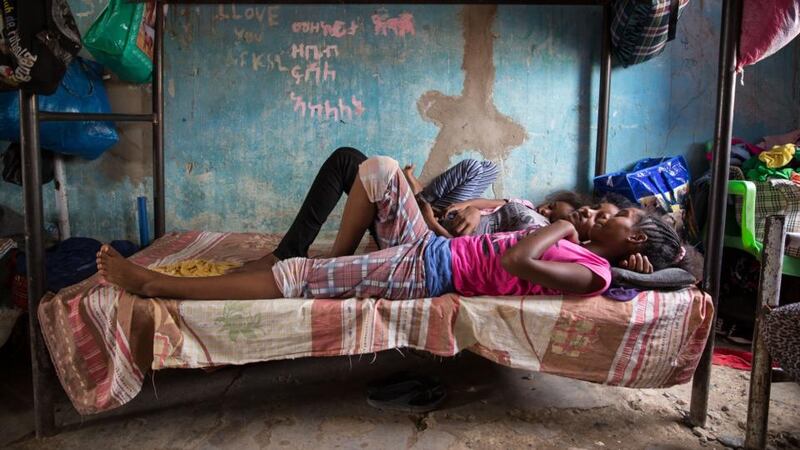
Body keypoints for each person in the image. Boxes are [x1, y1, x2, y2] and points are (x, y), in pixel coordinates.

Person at [97, 157, 695, 301]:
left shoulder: (590, 271)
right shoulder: (594, 257)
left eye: (623, 217)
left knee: (297, 275)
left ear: (635, 239)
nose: (609, 212)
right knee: (379, 168)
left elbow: (517, 264)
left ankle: (156, 285)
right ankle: (336, 258)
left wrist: (561, 234)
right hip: (434, 248)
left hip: (432, 269)